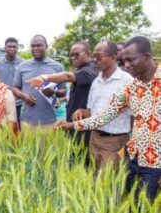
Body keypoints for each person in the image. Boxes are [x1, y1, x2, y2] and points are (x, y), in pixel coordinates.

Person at [58, 36, 161, 202]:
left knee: (145, 206)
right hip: (133, 158)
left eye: (130, 60)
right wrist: (72, 125)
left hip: (155, 165)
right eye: (124, 60)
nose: (126, 65)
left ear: (147, 57)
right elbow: (106, 115)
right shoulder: (131, 88)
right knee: (126, 202)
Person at [72, 41, 133, 167]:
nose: (94, 60)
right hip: (94, 138)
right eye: (94, 56)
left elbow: (133, 116)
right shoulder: (96, 82)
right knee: (95, 178)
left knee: (110, 182)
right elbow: (92, 111)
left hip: (114, 141)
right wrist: (82, 112)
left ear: (113, 57)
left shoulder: (127, 81)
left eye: (99, 56)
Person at [26, 41, 98, 143]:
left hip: (83, 126)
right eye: (71, 55)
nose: (73, 57)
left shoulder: (88, 71)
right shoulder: (81, 70)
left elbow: (67, 76)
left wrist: (44, 78)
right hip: (74, 123)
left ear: (88, 54)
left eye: (77, 54)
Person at [13, 35, 67, 128]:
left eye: (39, 45)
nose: (35, 48)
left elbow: (64, 91)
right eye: (33, 46)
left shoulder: (57, 67)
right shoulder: (23, 66)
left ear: (46, 46)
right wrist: (24, 96)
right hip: (27, 121)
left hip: (49, 121)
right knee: (28, 143)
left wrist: (53, 93)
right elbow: (15, 88)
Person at [0, 37, 24, 124]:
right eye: (9, 46)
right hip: (4, 102)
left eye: (14, 47)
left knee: (20, 128)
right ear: (5, 48)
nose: (12, 49)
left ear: (17, 49)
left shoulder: (23, 63)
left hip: (20, 102)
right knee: (7, 128)